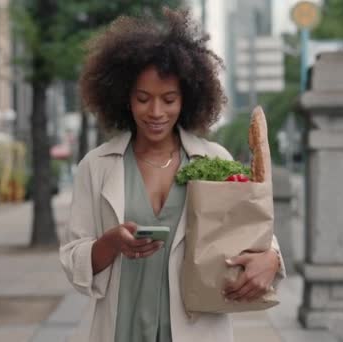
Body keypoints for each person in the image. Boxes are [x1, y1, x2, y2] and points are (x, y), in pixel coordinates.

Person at [59, 7, 285, 342]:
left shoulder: (214, 159)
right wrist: (110, 243)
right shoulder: (98, 165)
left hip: (196, 328)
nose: (155, 112)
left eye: (169, 99)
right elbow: (72, 258)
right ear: (125, 98)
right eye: (142, 99)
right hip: (121, 327)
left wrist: (272, 260)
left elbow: (253, 230)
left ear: (188, 98)